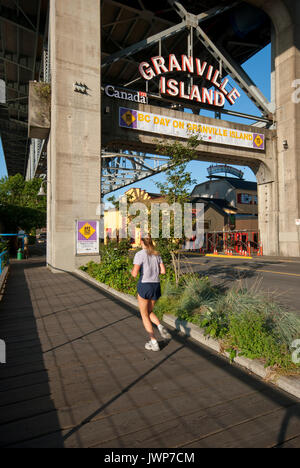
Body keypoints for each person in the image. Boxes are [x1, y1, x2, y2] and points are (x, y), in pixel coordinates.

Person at [131, 236, 171, 352]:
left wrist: (132, 272)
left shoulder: (139, 254)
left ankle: (154, 342)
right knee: (149, 312)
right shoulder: (157, 254)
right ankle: (160, 326)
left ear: (142, 242)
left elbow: (134, 273)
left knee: (144, 315)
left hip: (144, 285)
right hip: (156, 285)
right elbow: (163, 271)